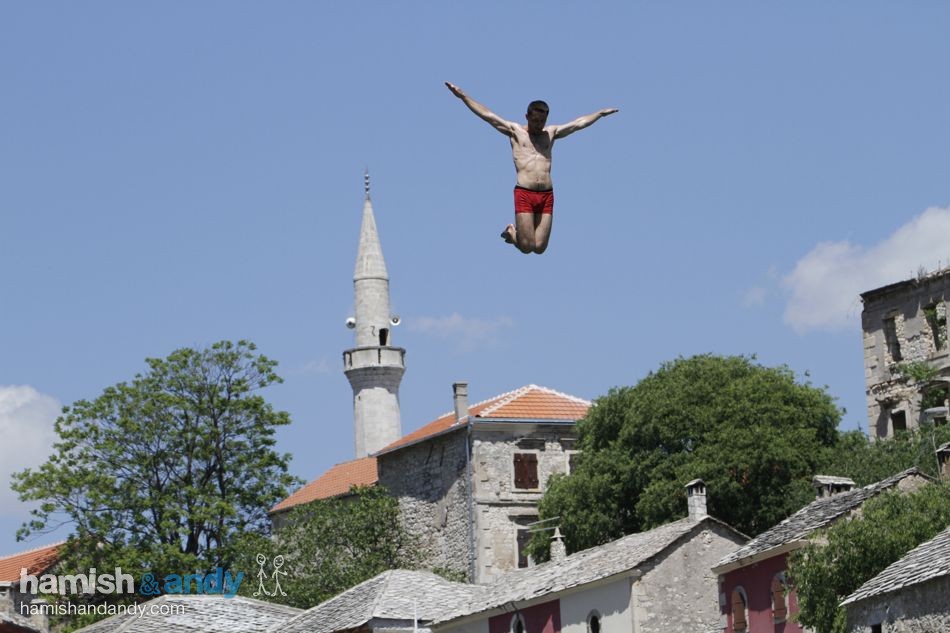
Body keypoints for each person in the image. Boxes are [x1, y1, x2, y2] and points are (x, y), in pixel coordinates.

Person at [445, 82, 618, 254]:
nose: (538, 125)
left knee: (540, 247)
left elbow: (578, 124)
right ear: (526, 116)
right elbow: (488, 115)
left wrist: (599, 114)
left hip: (546, 195)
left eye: (542, 121)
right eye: (535, 121)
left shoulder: (551, 133)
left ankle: (515, 236)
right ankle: (512, 233)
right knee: (527, 247)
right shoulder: (515, 132)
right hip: (525, 193)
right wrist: (464, 97)